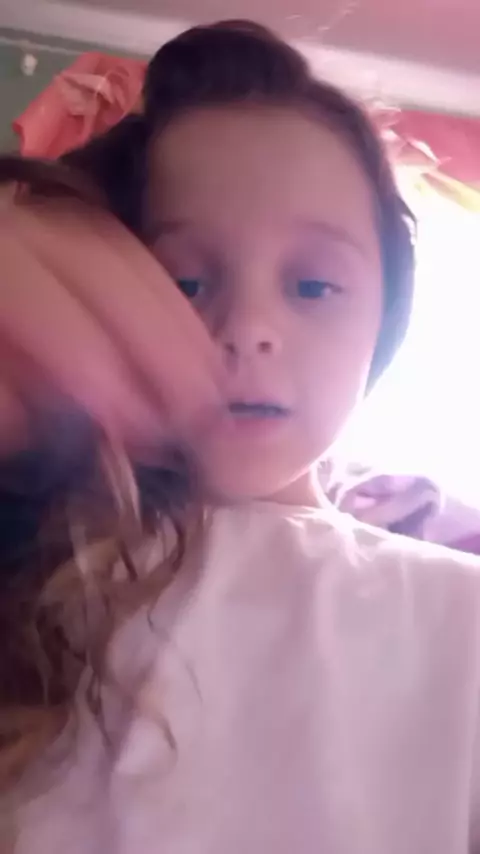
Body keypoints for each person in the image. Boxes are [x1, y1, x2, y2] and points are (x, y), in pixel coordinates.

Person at [1, 19, 480, 854]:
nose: (249, 327)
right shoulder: (33, 560)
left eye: (313, 285)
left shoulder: (460, 616)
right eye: (186, 281)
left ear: (385, 319)